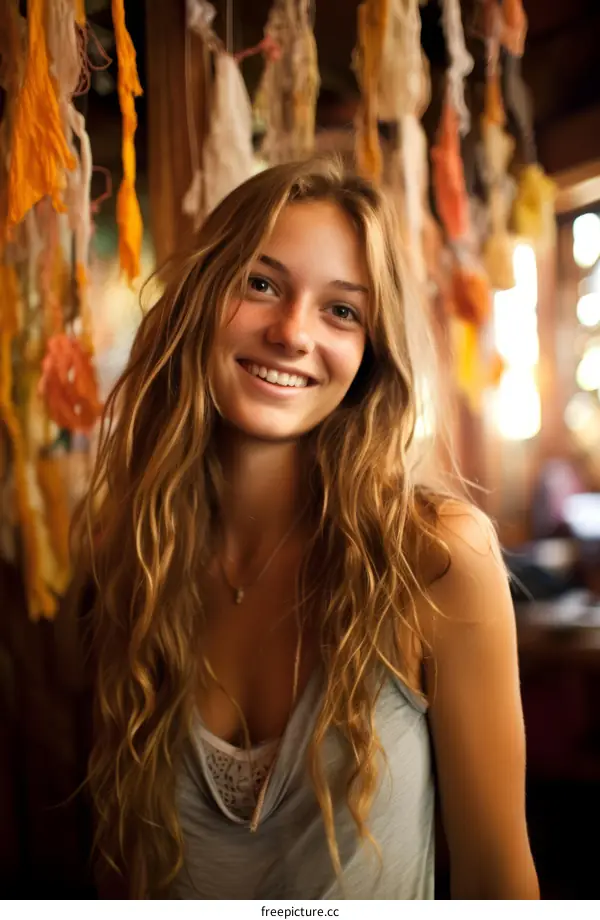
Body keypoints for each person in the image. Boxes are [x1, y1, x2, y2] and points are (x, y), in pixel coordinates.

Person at [73, 158, 539, 899]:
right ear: (200, 300)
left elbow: (500, 887)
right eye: (260, 284)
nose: (292, 332)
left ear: (368, 356)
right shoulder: (133, 559)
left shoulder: (435, 557)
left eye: (341, 310)